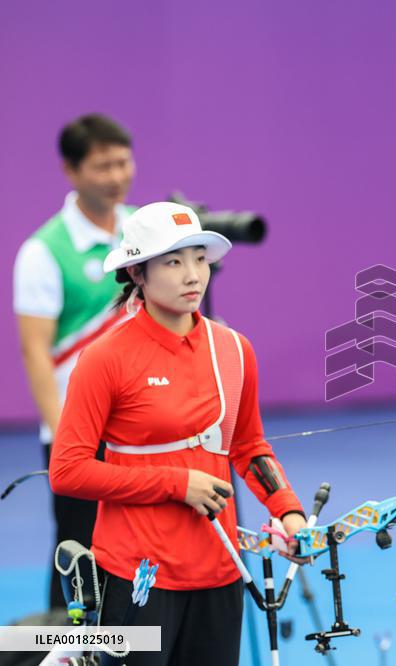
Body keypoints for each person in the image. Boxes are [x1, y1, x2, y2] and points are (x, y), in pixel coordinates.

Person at [49, 201, 308, 666]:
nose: (193, 275)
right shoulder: (104, 359)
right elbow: (68, 472)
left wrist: (288, 511)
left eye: (199, 259)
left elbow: (248, 446)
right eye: (173, 261)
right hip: (137, 579)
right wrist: (175, 483)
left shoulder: (233, 350)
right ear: (137, 273)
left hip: (221, 570)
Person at [13, 113, 136, 609]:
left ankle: (135, 647)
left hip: (139, 425)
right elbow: (36, 354)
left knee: (140, 546)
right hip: (79, 432)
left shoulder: (144, 231)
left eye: (124, 162)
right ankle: (62, 651)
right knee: (78, 553)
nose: (117, 176)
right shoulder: (42, 253)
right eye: (102, 166)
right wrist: (67, 438)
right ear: (70, 171)